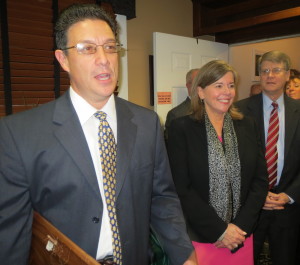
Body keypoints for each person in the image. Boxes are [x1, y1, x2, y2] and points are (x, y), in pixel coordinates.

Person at [0, 4, 197, 265]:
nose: (104, 58)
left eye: (110, 46)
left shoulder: (147, 122)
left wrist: (184, 254)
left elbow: (162, 197)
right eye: (88, 48)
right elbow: (12, 235)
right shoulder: (19, 134)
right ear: (63, 59)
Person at [167, 60, 268, 265]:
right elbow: (181, 188)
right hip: (201, 237)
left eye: (231, 85)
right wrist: (220, 231)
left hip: (241, 236)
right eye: (218, 85)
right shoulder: (182, 128)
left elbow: (259, 181)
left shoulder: (247, 125)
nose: (227, 92)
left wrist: (240, 228)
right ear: (201, 92)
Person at [235, 51, 300, 265]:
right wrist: (257, 195)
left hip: (288, 207)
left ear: (288, 74)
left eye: (276, 70)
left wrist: (288, 195)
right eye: (264, 71)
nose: (269, 75)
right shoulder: (239, 111)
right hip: (249, 207)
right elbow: (233, 161)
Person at [164, 68, 199, 141]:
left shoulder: (214, 109)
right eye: (197, 82)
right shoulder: (175, 114)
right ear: (188, 85)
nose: (201, 86)